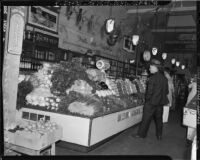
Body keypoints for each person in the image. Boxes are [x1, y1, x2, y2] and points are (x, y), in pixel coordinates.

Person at [132, 59, 169, 140]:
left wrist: (147, 100)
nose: (149, 69)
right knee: (159, 120)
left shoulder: (152, 78)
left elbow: (149, 93)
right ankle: (159, 135)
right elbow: (166, 92)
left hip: (151, 103)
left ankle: (141, 135)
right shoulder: (165, 79)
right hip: (160, 103)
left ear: (156, 68)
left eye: (151, 67)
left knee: (146, 119)